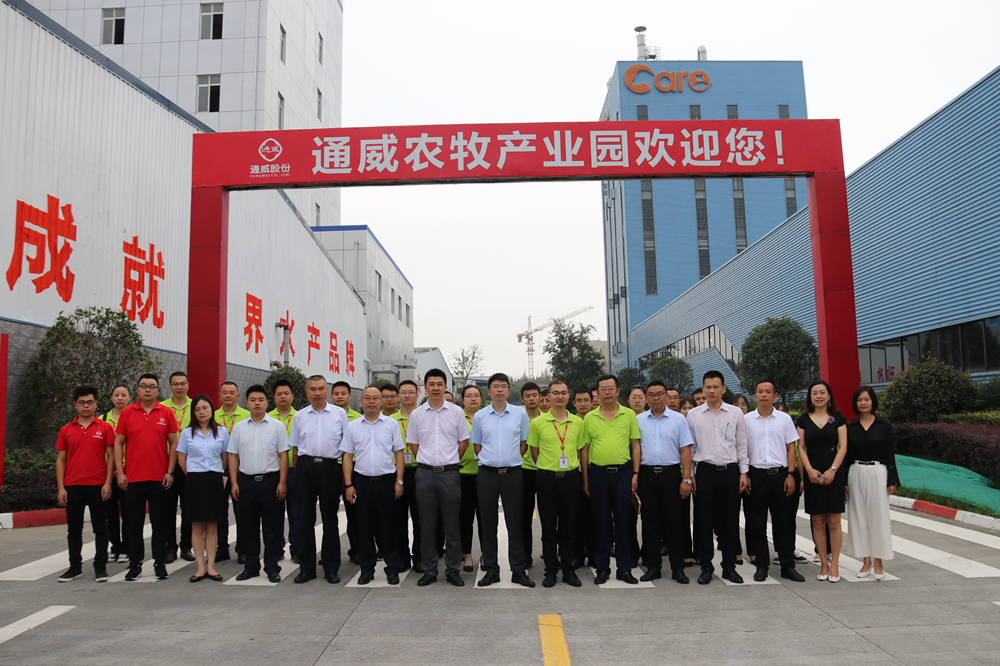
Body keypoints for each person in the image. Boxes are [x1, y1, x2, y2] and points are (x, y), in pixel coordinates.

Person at [114, 373, 178, 581]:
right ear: (137, 390)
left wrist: (170, 471)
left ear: (158, 390)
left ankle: (159, 563)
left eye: (152, 386)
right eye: (144, 386)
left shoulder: (166, 413)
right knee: (134, 524)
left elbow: (174, 443)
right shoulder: (127, 413)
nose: (147, 390)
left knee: (160, 524)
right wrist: (120, 472)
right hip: (133, 479)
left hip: (159, 479)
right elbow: (118, 443)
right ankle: (135, 564)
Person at [408, 368, 469, 587]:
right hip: (425, 475)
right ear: (425, 388)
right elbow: (413, 444)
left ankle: (453, 570)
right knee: (427, 526)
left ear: (445, 387)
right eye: (431, 384)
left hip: (450, 475)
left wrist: (449, 461)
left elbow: (463, 442)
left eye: (439, 384)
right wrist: (428, 462)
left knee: (452, 525)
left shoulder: (456, 412)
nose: (435, 388)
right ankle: (430, 569)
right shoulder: (417, 414)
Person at [473, 373, 535, 588]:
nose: (499, 390)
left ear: (509, 390)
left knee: (515, 523)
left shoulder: (520, 414)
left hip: (513, 475)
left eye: (503, 386)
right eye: (495, 386)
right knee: (488, 523)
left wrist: (511, 460)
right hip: (487, 475)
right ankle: (491, 570)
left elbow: (524, 443)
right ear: (488, 391)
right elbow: (477, 446)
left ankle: (518, 570)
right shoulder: (480, 416)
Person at [686, 370, 748, 585]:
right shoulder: (694, 415)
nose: (711, 391)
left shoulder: (735, 413)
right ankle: (706, 567)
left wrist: (744, 472)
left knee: (730, 521)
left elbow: (741, 444)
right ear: (703, 389)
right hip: (705, 472)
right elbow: (691, 448)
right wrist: (691, 474)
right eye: (708, 387)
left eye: (715, 387)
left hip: (730, 472)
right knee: (703, 521)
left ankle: (729, 566)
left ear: (723, 389)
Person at [342, 387, 406, 585]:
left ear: (381, 402)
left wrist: (399, 481)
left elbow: (399, 453)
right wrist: (348, 484)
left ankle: (392, 569)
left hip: (386, 482)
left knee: (389, 527)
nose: (371, 401)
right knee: (364, 528)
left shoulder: (391, 424)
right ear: (361, 402)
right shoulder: (353, 426)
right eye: (367, 398)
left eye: (375, 398)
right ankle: (366, 569)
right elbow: (347, 456)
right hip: (362, 483)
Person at [743, 380, 805, 583]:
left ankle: (787, 565)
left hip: (781, 475)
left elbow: (791, 448)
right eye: (760, 391)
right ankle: (762, 566)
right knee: (757, 523)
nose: (764, 395)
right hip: (756, 476)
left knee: (783, 522)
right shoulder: (746, 420)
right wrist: (744, 473)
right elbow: (742, 449)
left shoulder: (784, 419)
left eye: (768, 391)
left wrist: (791, 474)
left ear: (774, 396)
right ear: (754, 396)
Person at [582, 374, 641, 585]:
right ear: (597, 393)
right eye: (603, 389)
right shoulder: (590, 418)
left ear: (618, 391)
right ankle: (602, 568)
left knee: (623, 522)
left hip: (623, 473)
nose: (607, 392)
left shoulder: (629, 415)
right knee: (601, 522)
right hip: (598, 474)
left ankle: (624, 569)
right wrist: (585, 479)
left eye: (611, 388)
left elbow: (635, 446)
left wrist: (635, 474)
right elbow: (585, 449)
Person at [291, 375, 349, 584]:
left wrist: (344, 477)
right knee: (305, 519)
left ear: (327, 390)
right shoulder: (300, 416)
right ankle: (306, 569)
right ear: (306, 392)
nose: (317, 393)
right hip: (305, 467)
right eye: (313, 389)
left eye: (321, 388)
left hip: (330, 468)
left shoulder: (339, 414)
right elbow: (295, 448)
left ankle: (331, 567)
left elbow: (346, 447)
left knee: (330, 519)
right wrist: (299, 473)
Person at [634, 381, 694, 584]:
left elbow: (685, 450)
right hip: (647, 475)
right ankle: (654, 567)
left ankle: (678, 568)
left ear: (667, 396)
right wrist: (636, 475)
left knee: (674, 523)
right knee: (650, 523)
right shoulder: (639, 420)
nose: (656, 398)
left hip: (671, 475)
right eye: (651, 395)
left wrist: (686, 479)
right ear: (646, 398)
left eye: (660, 394)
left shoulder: (678, 419)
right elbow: (636, 449)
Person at [228, 385, 289, 583]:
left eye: (261, 400)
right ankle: (251, 567)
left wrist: (282, 482)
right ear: (246, 402)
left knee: (272, 527)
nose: (257, 403)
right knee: (248, 527)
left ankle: (272, 567)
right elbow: (233, 456)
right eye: (253, 400)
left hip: (270, 482)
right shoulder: (239, 427)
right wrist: (234, 482)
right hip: (245, 482)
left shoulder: (277, 426)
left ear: (267, 402)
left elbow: (283, 455)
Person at [56, 386, 115, 583]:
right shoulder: (66, 430)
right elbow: (61, 460)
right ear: (75, 405)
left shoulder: (105, 428)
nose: (86, 406)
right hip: (72, 486)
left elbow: (111, 457)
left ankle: (100, 567)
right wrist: (61, 487)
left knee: (101, 528)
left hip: (98, 485)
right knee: (74, 530)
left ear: (96, 404)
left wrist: (108, 483)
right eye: (82, 403)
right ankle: (74, 568)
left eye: (90, 402)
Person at [529, 379, 584, 588]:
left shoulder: (577, 422)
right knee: (549, 528)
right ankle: (551, 570)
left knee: (569, 528)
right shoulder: (538, 423)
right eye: (555, 393)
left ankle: (569, 570)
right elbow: (535, 452)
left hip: (571, 479)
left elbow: (579, 450)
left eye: (563, 392)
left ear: (568, 396)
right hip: (546, 479)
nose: (559, 396)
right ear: (548, 397)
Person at [797, 380, 848, 582]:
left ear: (829, 396)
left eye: (822, 393)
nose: (818, 396)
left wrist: (833, 470)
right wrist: (809, 470)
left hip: (833, 472)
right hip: (813, 473)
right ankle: (824, 564)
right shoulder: (803, 420)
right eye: (814, 393)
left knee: (834, 522)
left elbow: (843, 447)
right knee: (818, 521)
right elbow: (801, 448)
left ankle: (834, 564)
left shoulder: (838, 419)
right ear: (810, 397)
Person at [846, 385, 898, 580]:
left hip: (878, 472)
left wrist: (892, 479)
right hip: (856, 471)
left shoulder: (884, 425)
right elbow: (846, 455)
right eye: (859, 400)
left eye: (866, 399)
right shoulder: (850, 427)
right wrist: (844, 481)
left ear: (873, 401)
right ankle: (865, 560)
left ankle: (879, 561)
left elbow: (890, 453)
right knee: (858, 517)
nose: (863, 403)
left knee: (878, 517)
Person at [176, 394, 229, 582]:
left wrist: (217, 475)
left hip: (214, 480)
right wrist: (194, 474)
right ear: (193, 412)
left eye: (205, 408)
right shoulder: (186, 433)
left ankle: (211, 567)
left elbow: (225, 458)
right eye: (197, 409)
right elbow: (181, 459)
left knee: (212, 525)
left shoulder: (222, 431)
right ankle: (200, 567)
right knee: (197, 526)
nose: (201, 412)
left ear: (212, 409)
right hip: (194, 481)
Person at [215, 381, 250, 564]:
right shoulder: (212, 417)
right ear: (219, 396)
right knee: (219, 512)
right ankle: (221, 548)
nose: (228, 396)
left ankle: (242, 549)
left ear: (238, 396)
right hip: (218, 470)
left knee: (241, 511)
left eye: (231, 393)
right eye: (224, 392)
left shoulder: (247, 416)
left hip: (241, 470)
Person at [161, 371, 194, 562]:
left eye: (182, 383)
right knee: (168, 507)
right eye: (175, 384)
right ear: (170, 386)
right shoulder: (162, 407)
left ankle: (186, 546)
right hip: (167, 462)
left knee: (188, 506)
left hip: (189, 462)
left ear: (188, 385)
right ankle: (169, 547)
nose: (179, 387)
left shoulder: (195, 406)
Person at [392, 380, 422, 573]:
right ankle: (402, 557)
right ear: (398, 396)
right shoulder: (390, 420)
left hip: (420, 471)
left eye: (411, 392)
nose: (407, 395)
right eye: (403, 392)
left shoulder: (423, 417)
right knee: (398, 517)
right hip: (397, 474)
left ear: (417, 395)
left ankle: (419, 556)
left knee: (421, 518)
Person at [268, 379, 298, 562]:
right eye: (279, 394)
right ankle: (276, 548)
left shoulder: (300, 417)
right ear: (273, 397)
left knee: (296, 513)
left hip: (295, 472)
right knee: (274, 514)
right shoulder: (267, 418)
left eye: (286, 393)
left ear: (293, 396)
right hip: (273, 472)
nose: (283, 397)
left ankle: (296, 548)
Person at [332, 381, 362, 564]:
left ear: (350, 396)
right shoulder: (326, 416)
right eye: (336, 393)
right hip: (332, 467)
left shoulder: (358, 419)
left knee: (354, 513)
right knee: (329, 513)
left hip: (352, 467)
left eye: (343, 393)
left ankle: (356, 550)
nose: (340, 396)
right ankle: (330, 553)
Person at [103, 384, 131, 564]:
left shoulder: (132, 417)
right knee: (110, 512)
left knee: (128, 512)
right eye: (116, 395)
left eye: (123, 395)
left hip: (128, 471)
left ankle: (126, 548)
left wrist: (124, 466)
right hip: (108, 472)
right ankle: (114, 546)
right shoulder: (102, 420)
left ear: (129, 398)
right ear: (111, 398)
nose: (120, 398)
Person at [459, 385, 483, 573]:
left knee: (485, 519)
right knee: (465, 518)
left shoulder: (487, 417)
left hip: (484, 474)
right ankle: (467, 554)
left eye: (476, 395)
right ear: (462, 399)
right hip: (462, 475)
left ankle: (485, 554)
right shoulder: (456, 417)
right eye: (469, 396)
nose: (473, 399)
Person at [571, 385, 595, 569]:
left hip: (595, 472)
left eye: (586, 400)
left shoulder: (597, 420)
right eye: (579, 401)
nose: (583, 404)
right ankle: (578, 553)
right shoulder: (570, 422)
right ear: (574, 403)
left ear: (592, 401)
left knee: (595, 515)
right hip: (574, 473)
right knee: (576, 516)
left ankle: (594, 554)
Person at [519, 382, 543, 570]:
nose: (531, 399)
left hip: (544, 471)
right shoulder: (517, 419)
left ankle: (552, 555)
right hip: (522, 471)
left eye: (534, 395)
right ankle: (525, 556)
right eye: (527, 396)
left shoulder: (547, 419)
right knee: (524, 517)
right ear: (522, 399)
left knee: (549, 517)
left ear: (540, 397)